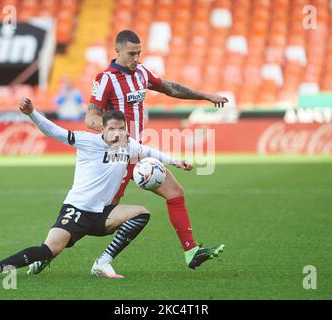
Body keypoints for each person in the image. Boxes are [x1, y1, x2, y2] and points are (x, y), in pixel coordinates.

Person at [0, 98, 192, 280]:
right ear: (102, 128)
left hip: (103, 213)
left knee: (141, 213)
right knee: (49, 249)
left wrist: (175, 161)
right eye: (113, 129)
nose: (118, 134)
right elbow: (55, 132)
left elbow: (148, 150)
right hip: (77, 210)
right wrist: (33, 113)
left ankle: (102, 262)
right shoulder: (88, 141)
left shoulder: (128, 144)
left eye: (122, 129)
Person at [85, 30, 226, 269]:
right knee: (99, 217)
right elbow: (91, 117)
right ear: (117, 51)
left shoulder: (141, 72)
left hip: (138, 151)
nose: (136, 58)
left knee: (175, 193)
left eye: (139, 53)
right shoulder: (105, 79)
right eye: (131, 53)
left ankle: (191, 251)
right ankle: (51, 248)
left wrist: (205, 96)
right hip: (117, 156)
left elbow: (170, 88)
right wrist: (114, 134)